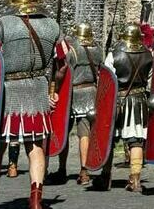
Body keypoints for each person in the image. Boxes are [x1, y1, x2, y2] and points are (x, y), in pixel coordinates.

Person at [0, 0, 62, 209]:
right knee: (35, 148)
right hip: (38, 92)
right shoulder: (52, 26)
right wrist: (55, 89)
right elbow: (63, 63)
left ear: (13, 1)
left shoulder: (1, 24)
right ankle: (35, 200)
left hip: (7, 94)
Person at [103, 22, 154, 192]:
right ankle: (135, 180)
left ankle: (105, 177)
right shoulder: (148, 54)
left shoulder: (114, 55)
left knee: (110, 139)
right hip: (139, 101)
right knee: (136, 141)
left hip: (118, 101)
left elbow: (106, 80)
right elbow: (150, 81)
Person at [54, 21, 101, 185]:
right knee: (85, 133)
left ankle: (62, 169)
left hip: (73, 94)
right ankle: (84, 171)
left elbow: (62, 69)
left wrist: (55, 88)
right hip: (91, 93)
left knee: (64, 132)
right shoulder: (98, 49)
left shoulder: (72, 49)